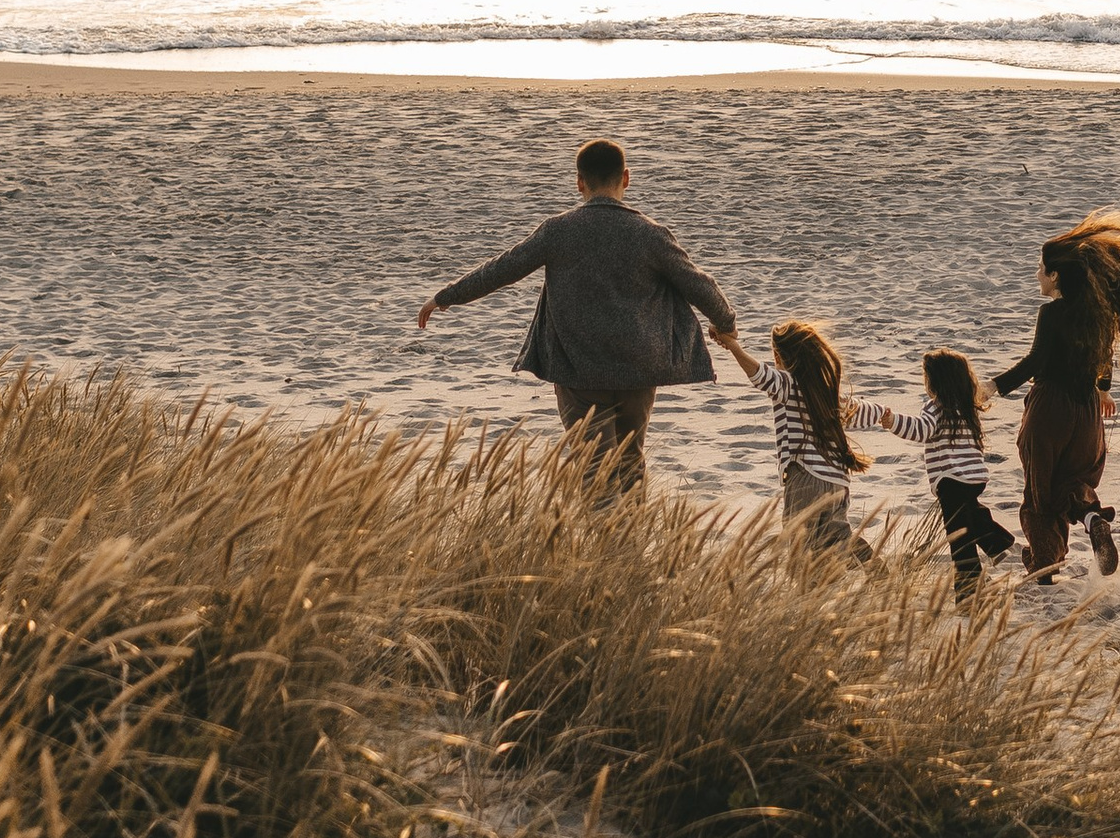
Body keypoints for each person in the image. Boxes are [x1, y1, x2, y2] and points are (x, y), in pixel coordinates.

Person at [415, 137, 735, 494]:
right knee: (630, 461)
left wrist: (446, 296)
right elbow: (699, 284)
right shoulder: (651, 234)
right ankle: (628, 544)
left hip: (577, 367)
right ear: (626, 178)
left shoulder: (558, 230)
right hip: (639, 365)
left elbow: (503, 268)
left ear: (580, 181)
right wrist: (725, 323)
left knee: (594, 467)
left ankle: (606, 542)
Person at [993, 210, 1120, 581]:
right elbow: (1104, 358)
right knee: (1073, 484)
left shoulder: (1051, 314)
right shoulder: (1102, 314)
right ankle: (1092, 518)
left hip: (1050, 409)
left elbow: (1036, 360)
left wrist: (994, 386)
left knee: (1040, 491)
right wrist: (1103, 391)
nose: (1038, 275)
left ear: (1056, 276)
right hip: (1087, 415)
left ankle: (1045, 565)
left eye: (1041, 268)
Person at [856, 349, 1018, 598]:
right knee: (971, 514)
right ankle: (996, 543)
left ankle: (968, 594)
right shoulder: (967, 406)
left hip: (951, 481)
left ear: (935, 382)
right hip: (974, 478)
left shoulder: (936, 407)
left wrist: (892, 422)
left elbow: (921, 430)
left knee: (960, 541)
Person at [719, 316, 885, 555]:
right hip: (837, 481)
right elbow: (862, 410)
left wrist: (734, 347)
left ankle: (808, 588)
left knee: (799, 551)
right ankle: (867, 561)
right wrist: (885, 414)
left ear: (779, 357)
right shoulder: (828, 391)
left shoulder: (788, 384)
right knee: (836, 539)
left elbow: (760, 375)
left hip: (805, 477)